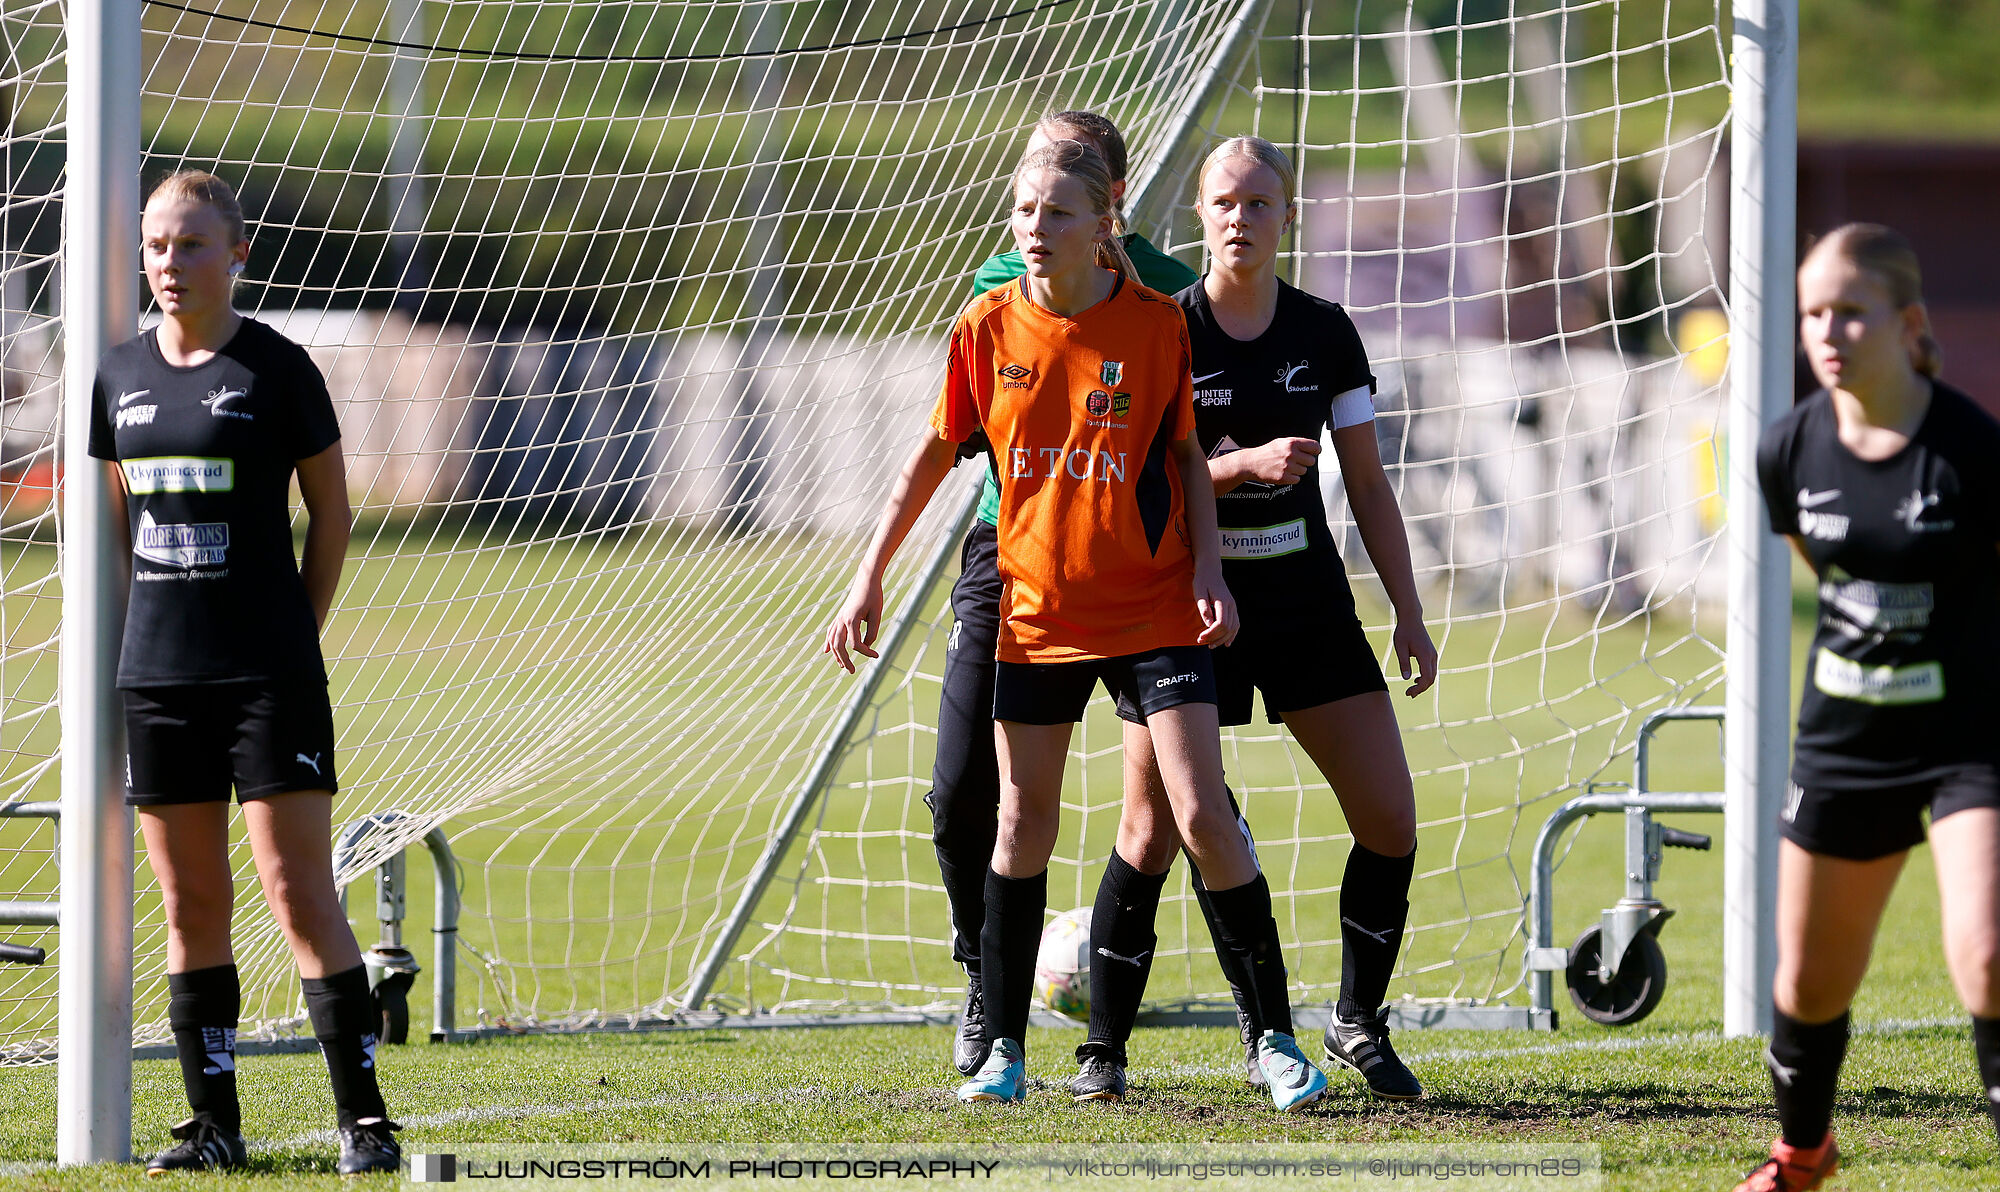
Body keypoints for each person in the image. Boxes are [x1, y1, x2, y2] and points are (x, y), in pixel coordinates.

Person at [824, 139, 1330, 1111]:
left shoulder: (1154, 325)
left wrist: (1211, 572)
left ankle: (1271, 1041)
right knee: (1021, 819)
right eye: (1022, 211)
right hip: (1035, 608)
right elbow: (931, 458)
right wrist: (867, 574)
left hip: (1151, 607)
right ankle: (1002, 1052)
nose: (1032, 230)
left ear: (1104, 226)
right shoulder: (983, 327)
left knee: (1201, 812)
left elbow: (1183, 456)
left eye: (1055, 214)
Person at [1068, 136, 1437, 1105]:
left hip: (1306, 601)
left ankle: (1355, 1019)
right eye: (1224, 200)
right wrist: (1232, 469)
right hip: (1182, 607)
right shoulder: (1158, 328)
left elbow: (1365, 480)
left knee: (1389, 819)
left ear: (1285, 216)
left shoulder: (1323, 331)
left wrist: (1405, 610)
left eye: (1260, 202)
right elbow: (1131, 478)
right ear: (1198, 213)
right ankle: (1101, 1049)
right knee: (1151, 827)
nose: (1241, 217)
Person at [86, 171, 399, 1175]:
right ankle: (214, 1125)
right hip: (159, 679)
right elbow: (117, 520)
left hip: (268, 676)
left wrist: (291, 637)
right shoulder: (117, 377)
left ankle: (365, 1122)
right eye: (156, 247)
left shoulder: (279, 370)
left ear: (237, 255)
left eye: (190, 245)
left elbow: (333, 516)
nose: (169, 265)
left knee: (296, 888)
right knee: (188, 907)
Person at [1740, 223, 2000, 1191]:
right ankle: (1800, 1155)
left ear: (1908, 321)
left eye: (1849, 310)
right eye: (1812, 311)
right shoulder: (1784, 449)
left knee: (1987, 952)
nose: (1827, 331)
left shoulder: (1969, 448)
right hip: (1845, 742)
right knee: (1804, 985)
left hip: (1969, 740)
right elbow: (1828, 568)